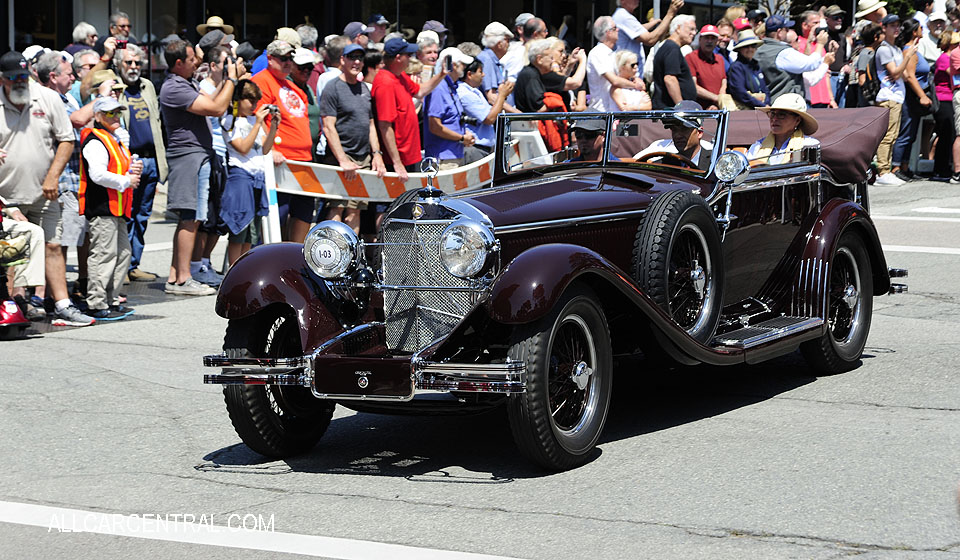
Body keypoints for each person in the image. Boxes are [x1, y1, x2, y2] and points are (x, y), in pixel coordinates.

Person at [0, 51, 94, 326]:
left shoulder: (47, 97)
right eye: (12, 78)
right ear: (2, 79)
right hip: (6, 196)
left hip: (45, 190)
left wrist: (53, 177)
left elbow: (66, 140)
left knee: (53, 246)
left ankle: (63, 305)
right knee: (9, 251)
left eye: (23, 76)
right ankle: (12, 304)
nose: (19, 82)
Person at [158, 39, 237, 296]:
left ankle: (175, 275)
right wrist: (232, 80)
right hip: (187, 157)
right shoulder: (173, 87)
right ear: (178, 63)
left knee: (192, 217)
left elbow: (213, 99)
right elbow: (216, 108)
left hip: (197, 155)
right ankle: (183, 279)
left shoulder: (184, 82)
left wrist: (223, 78)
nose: (197, 63)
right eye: (192, 59)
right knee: (190, 217)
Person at [79, 97, 142, 320]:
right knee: (104, 255)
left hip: (117, 208)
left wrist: (133, 169)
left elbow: (121, 167)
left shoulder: (114, 138)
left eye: (117, 113)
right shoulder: (96, 140)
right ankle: (96, 302)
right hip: (102, 207)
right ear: (97, 117)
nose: (115, 117)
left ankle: (111, 299)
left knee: (122, 254)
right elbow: (97, 174)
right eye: (109, 113)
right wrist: (125, 181)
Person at [252, 40, 315, 243]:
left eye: (290, 58)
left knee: (304, 213)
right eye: (283, 58)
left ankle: (296, 260)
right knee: (277, 216)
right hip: (281, 161)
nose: (288, 62)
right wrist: (270, 149)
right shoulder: (262, 81)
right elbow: (257, 117)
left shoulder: (294, 87)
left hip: (303, 160)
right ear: (270, 59)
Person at [319, 44, 386, 232]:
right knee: (337, 207)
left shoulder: (365, 89)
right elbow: (328, 126)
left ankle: (351, 258)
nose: (356, 62)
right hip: (339, 158)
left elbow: (371, 124)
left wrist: (377, 154)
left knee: (355, 210)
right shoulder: (332, 88)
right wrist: (342, 160)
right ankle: (334, 257)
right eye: (352, 57)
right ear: (342, 60)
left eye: (360, 58)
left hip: (363, 158)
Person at [114, 43, 166, 283]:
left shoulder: (148, 86)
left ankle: (134, 265)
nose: (134, 67)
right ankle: (121, 267)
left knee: (143, 216)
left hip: (151, 160)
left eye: (137, 63)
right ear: (119, 64)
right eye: (128, 62)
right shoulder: (115, 88)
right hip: (128, 160)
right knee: (126, 215)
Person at [372, 37, 448, 182]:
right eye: (409, 55)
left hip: (409, 157)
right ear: (398, 58)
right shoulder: (385, 83)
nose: (411, 58)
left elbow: (420, 91)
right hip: (398, 162)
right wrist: (397, 162)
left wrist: (441, 74)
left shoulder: (400, 77)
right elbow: (385, 126)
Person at [220, 80, 277, 266]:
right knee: (239, 228)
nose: (254, 105)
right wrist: (258, 122)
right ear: (239, 99)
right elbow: (243, 147)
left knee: (251, 232)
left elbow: (266, 149)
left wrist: (274, 126)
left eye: (256, 101)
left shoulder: (255, 121)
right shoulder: (230, 121)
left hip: (257, 178)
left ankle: (243, 269)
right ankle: (233, 271)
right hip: (240, 176)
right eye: (250, 100)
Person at [873, 15, 917, 186]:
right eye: (892, 25)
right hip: (887, 97)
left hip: (897, 96)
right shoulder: (884, 49)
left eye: (898, 25)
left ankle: (887, 169)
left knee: (893, 135)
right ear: (883, 28)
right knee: (887, 135)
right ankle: (882, 171)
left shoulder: (896, 49)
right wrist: (909, 55)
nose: (896, 29)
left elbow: (904, 76)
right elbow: (895, 73)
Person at [756, 15, 833, 103]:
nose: (788, 32)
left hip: (770, 102)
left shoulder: (760, 49)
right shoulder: (783, 53)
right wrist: (820, 44)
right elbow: (811, 64)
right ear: (779, 32)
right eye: (786, 29)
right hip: (786, 104)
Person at [891, 19, 932, 181]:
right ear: (914, 32)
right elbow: (909, 76)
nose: (923, 30)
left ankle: (905, 167)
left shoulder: (914, 50)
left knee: (912, 133)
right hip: (910, 96)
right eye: (921, 28)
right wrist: (922, 95)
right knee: (905, 132)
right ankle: (896, 167)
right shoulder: (909, 51)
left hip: (914, 97)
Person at [424, 48, 476, 168]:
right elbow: (435, 126)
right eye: (462, 64)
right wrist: (462, 138)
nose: (465, 67)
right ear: (452, 65)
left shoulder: (450, 87)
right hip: (442, 157)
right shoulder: (439, 88)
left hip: (453, 154)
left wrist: (463, 134)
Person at [458, 57, 515, 163]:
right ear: (469, 74)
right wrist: (501, 95)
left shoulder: (475, 91)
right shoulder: (465, 94)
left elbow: (492, 111)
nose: (483, 75)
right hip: (474, 149)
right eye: (480, 72)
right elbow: (489, 118)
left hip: (482, 148)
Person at [589, 16, 647, 111]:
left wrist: (635, 79)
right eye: (615, 28)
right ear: (608, 32)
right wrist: (635, 85)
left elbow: (622, 76)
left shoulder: (613, 53)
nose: (618, 30)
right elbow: (614, 80)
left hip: (615, 109)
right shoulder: (598, 53)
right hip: (602, 111)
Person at [634, 100, 713, 170]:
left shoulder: (716, 163)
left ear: (699, 133)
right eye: (674, 129)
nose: (677, 135)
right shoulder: (663, 166)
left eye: (684, 129)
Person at [745, 93, 820, 165]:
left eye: (781, 115)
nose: (774, 119)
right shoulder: (757, 147)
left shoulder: (809, 145)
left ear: (797, 120)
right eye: (772, 114)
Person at [613, 0, 684, 72]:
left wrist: (652, 23)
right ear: (622, 1)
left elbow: (637, 30)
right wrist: (670, 14)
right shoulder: (624, 16)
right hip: (629, 75)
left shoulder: (622, 15)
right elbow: (650, 40)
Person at [651, 15, 698, 108]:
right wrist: (681, 107)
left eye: (695, 30)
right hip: (668, 111)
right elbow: (670, 79)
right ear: (678, 28)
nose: (694, 33)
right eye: (691, 29)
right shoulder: (672, 48)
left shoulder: (669, 47)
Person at [795, 11, 836, 108]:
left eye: (819, 23)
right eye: (815, 23)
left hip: (823, 98)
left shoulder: (820, 45)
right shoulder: (798, 43)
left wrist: (831, 98)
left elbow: (826, 73)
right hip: (809, 98)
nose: (819, 26)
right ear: (805, 25)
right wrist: (809, 41)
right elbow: (805, 64)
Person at [932, 31, 958, 181]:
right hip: (943, 99)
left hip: (950, 98)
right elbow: (953, 73)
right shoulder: (944, 59)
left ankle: (945, 167)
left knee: (950, 134)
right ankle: (940, 169)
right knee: (946, 135)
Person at [477, 22, 519, 112]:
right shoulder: (487, 59)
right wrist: (516, 113)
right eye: (507, 40)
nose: (509, 44)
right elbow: (491, 97)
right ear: (499, 44)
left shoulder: (491, 59)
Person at [685, 24, 727, 109]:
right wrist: (716, 98)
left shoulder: (720, 59)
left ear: (717, 41)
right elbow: (693, 87)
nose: (709, 41)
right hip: (699, 110)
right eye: (706, 38)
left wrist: (718, 102)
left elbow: (724, 81)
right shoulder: (691, 58)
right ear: (700, 39)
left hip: (718, 108)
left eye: (713, 38)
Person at [727, 29, 770, 108]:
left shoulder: (756, 65)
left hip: (761, 109)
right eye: (746, 46)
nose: (750, 49)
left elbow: (765, 89)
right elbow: (739, 93)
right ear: (740, 49)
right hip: (746, 112)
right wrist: (761, 105)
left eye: (753, 46)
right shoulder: (736, 68)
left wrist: (766, 103)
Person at [824, 5, 853, 107]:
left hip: (841, 77)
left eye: (841, 17)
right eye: (836, 17)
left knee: (841, 107)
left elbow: (845, 58)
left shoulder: (842, 38)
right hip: (827, 77)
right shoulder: (822, 36)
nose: (839, 20)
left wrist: (846, 65)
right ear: (827, 19)